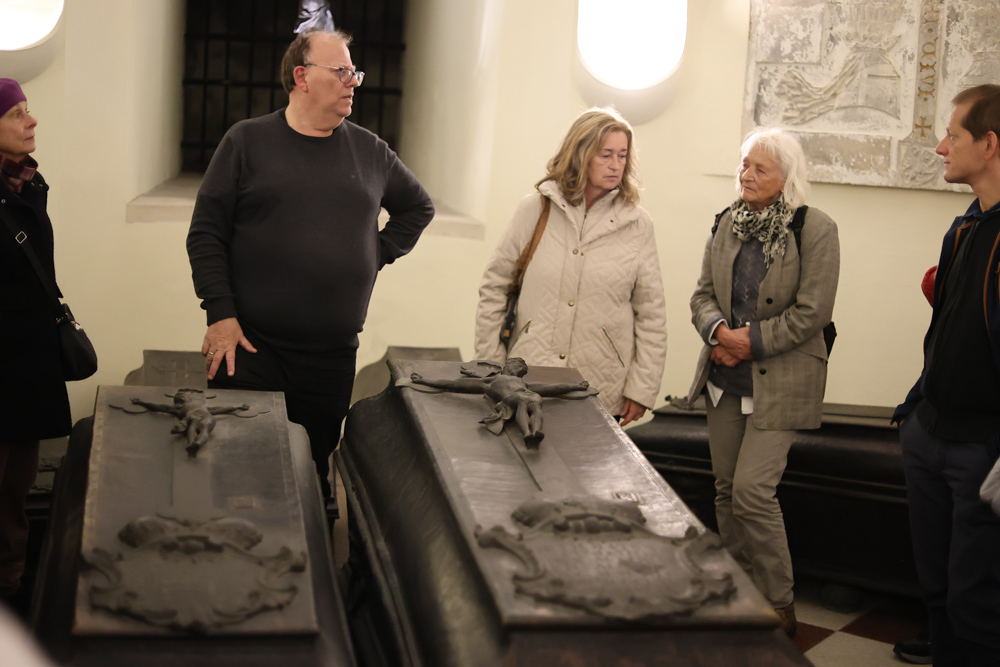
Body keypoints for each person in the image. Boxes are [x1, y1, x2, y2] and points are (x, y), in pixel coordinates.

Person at [186, 29, 434, 498]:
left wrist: (374, 253)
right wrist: (219, 313)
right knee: (239, 475)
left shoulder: (371, 152)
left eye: (354, 73)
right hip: (251, 348)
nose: (352, 82)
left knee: (310, 478)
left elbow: (418, 208)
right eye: (340, 71)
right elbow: (206, 234)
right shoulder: (246, 142)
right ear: (301, 77)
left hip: (330, 358)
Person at [686, 128, 840, 637]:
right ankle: (739, 592)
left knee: (753, 492)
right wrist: (718, 332)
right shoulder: (726, 222)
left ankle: (778, 602)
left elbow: (813, 311)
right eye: (744, 165)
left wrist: (746, 342)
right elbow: (702, 295)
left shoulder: (815, 229)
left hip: (781, 380)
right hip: (725, 378)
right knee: (726, 490)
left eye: (760, 169)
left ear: (786, 178)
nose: (746, 175)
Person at [892, 84, 1000, 667]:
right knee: (936, 591)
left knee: (975, 603)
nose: (940, 147)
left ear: (989, 144)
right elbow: (945, 335)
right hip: (930, 433)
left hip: (982, 449)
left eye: (953, 135)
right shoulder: (963, 227)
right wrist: (914, 412)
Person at [474, 108, 666, 426]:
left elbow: (651, 314)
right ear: (580, 154)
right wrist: (490, 366)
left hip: (600, 384)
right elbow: (495, 287)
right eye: (606, 155)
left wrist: (642, 389)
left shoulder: (638, 224)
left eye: (622, 155)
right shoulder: (535, 209)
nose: (616, 164)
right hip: (527, 376)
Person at [0, 78, 72, 605]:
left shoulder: (27, 182)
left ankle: (10, 592)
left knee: (14, 494)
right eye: (16, 113)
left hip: (27, 364)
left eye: (28, 109)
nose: (31, 120)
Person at [407, 358, 591, 447]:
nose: (519, 369)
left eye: (521, 369)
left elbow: (552, 388)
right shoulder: (491, 381)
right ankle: (527, 434)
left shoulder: (523, 383)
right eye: (517, 365)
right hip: (514, 397)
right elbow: (454, 384)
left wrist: (577, 386)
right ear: (507, 366)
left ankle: (536, 432)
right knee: (522, 404)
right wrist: (424, 380)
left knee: (535, 404)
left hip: (529, 395)